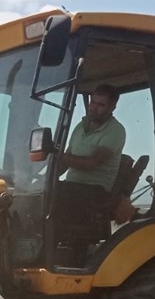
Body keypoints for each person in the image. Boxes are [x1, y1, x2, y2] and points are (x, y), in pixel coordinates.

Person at [54, 84, 126, 246]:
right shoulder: (80, 128)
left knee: (57, 193)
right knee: (40, 191)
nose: (94, 108)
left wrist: (60, 156)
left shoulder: (115, 131)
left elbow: (91, 163)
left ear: (112, 107)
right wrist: (45, 177)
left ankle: (54, 245)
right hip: (72, 188)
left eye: (101, 105)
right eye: (93, 103)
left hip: (96, 191)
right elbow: (64, 163)